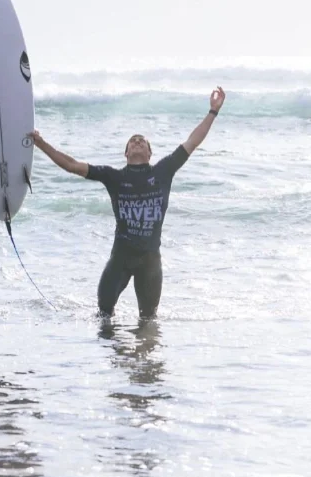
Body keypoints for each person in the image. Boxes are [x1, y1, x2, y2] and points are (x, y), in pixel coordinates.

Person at [30, 87, 226, 319]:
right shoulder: (114, 177)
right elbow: (72, 165)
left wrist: (213, 112)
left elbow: (192, 142)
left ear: (150, 153)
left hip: (150, 263)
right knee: (103, 317)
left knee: (149, 322)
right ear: (126, 153)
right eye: (132, 141)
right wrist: (40, 144)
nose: (136, 141)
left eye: (141, 141)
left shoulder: (164, 171)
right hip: (120, 260)